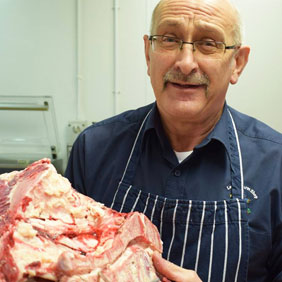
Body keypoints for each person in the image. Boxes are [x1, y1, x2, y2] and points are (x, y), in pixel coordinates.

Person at [65, 0, 282, 281]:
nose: (186, 62)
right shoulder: (93, 150)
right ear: (148, 54)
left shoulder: (275, 166)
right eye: (169, 39)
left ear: (237, 63)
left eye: (208, 43)